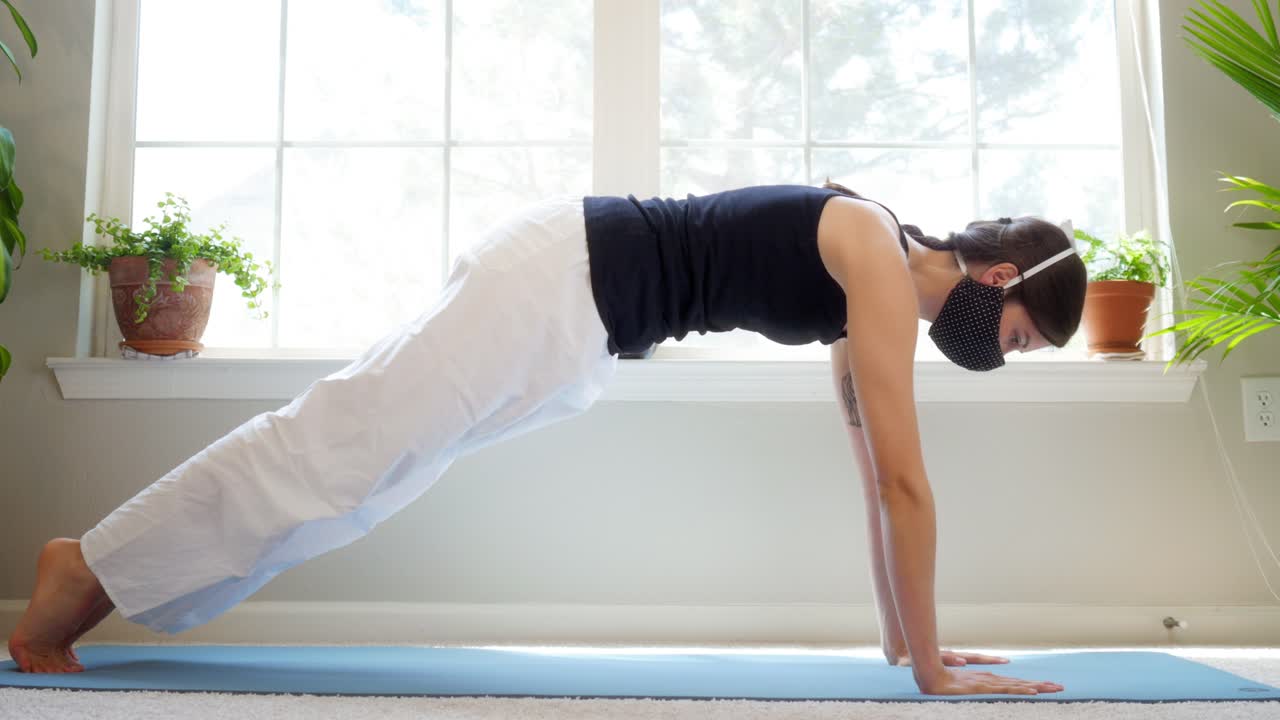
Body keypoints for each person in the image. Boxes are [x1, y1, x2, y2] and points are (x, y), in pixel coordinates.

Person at [8, 182, 1082, 696]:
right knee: (335, 450)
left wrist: (906, 646)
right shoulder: (878, 263)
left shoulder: (873, 280)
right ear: (997, 282)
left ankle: (105, 577)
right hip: (559, 280)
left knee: (361, 482)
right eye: (1022, 339)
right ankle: (83, 569)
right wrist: (938, 676)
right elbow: (907, 483)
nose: (1003, 354)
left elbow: (871, 479)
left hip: (578, 317)